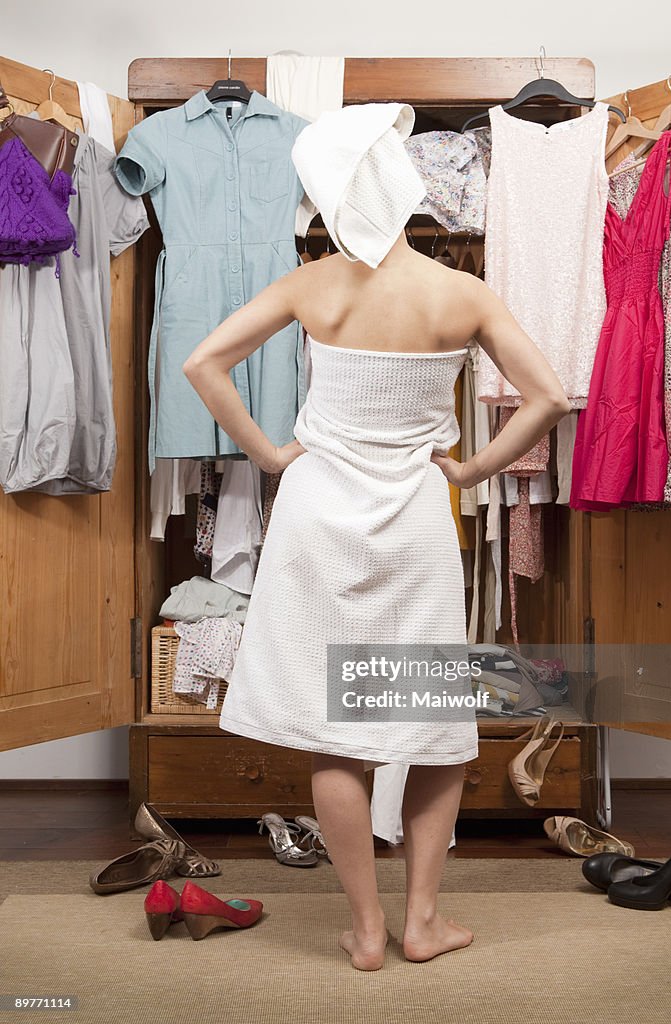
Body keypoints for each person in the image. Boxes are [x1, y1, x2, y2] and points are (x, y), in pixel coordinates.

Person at [183, 104, 571, 972]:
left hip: (317, 512)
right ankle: (422, 921)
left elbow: (200, 363)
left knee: (337, 732)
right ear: (399, 188)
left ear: (326, 196)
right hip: (411, 520)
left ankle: (363, 931)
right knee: (430, 726)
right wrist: (471, 473)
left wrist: (271, 454)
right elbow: (548, 396)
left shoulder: (311, 284)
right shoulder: (459, 293)